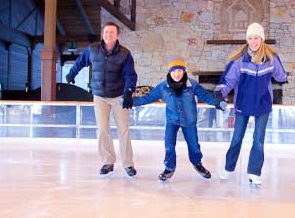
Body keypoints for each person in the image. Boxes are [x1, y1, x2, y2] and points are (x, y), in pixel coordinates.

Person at [214, 22, 288, 186]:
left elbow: (281, 75)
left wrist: (283, 78)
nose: (253, 41)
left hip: (263, 105)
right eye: (250, 38)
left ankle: (254, 173)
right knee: (237, 138)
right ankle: (228, 167)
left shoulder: (271, 59)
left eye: (256, 38)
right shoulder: (240, 60)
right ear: (247, 40)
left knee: (258, 140)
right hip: (243, 104)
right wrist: (220, 94)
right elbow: (228, 81)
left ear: (262, 39)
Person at [132, 55, 226, 181]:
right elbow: (147, 98)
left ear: (184, 71)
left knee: (194, 145)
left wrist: (217, 102)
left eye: (180, 71)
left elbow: (204, 96)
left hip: (189, 120)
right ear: (170, 71)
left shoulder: (191, 84)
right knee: (169, 145)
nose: (177, 74)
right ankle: (169, 168)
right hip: (172, 120)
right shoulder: (163, 87)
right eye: (174, 71)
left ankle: (197, 164)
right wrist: (131, 102)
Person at [65, 22, 138, 177]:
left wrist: (128, 92)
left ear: (117, 35)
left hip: (118, 95)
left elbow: (130, 75)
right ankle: (108, 161)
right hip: (99, 95)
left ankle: (128, 164)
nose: (108, 35)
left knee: (123, 129)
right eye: (106, 32)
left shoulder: (125, 53)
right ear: (102, 34)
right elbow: (80, 62)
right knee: (103, 128)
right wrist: (72, 73)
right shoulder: (93, 50)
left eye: (112, 32)